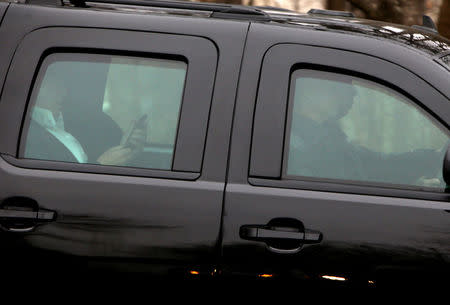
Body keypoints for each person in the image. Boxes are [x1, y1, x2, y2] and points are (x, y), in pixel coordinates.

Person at [287, 75, 444, 188]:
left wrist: (434, 157)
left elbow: (377, 164)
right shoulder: (294, 148)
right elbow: (340, 200)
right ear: (308, 92)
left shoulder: (329, 139)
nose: (351, 92)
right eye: (334, 85)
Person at [24, 73, 147, 167]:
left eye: (63, 87)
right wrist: (101, 165)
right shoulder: (27, 135)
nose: (64, 93)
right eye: (54, 87)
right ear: (34, 88)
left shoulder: (75, 122)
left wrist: (125, 150)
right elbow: (56, 187)